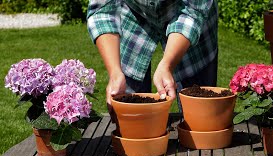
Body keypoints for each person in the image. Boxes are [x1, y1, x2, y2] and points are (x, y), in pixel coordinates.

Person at [87, 0, 218, 114]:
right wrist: (115, 72)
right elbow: (102, 11)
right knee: (131, 114)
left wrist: (167, 64)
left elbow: (192, 11)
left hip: (190, 23)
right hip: (135, 17)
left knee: (200, 112)